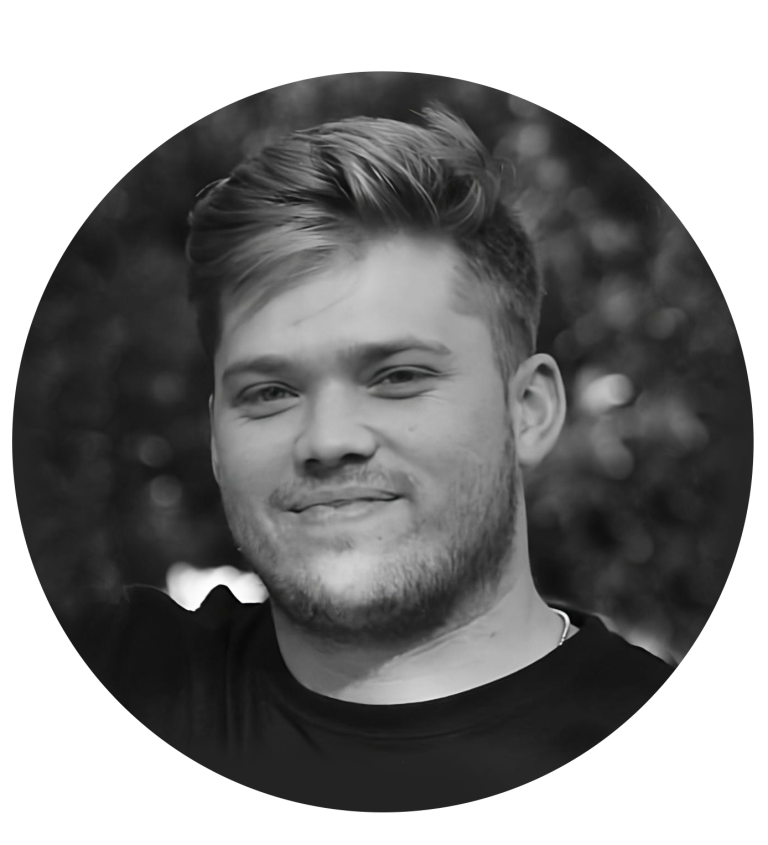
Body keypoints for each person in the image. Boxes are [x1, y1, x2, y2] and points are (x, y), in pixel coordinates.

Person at [69, 106, 675, 811]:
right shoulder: (126, 672)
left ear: (529, 411)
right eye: (269, 392)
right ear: (214, 438)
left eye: (398, 376)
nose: (327, 440)